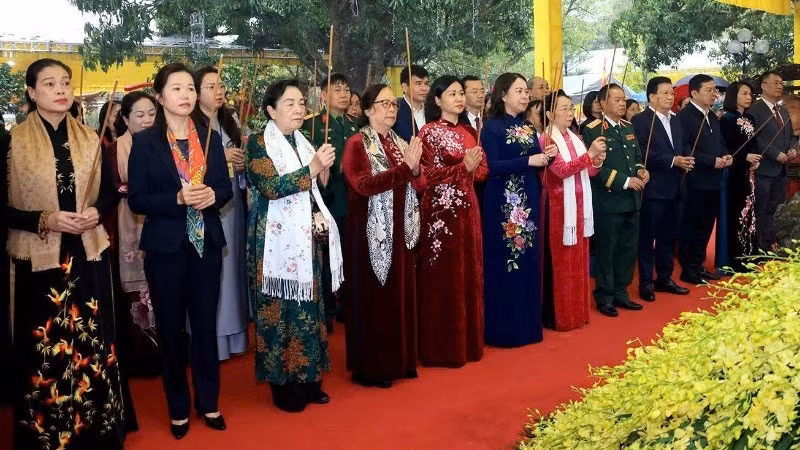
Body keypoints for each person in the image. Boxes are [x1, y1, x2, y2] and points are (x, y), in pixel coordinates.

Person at [8, 58, 130, 449]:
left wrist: (96, 211)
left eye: (65, 82)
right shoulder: (12, 142)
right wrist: (46, 219)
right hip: (38, 259)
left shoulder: (90, 138)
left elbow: (110, 192)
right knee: (46, 346)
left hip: (87, 252)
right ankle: (48, 434)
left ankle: (96, 429)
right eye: (49, 84)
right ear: (31, 92)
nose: (60, 90)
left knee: (92, 341)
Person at [128, 62, 232, 438]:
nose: (186, 95)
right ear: (160, 96)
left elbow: (225, 189)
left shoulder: (210, 137)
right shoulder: (145, 142)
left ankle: (209, 401)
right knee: (171, 330)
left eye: (190, 88)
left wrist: (211, 195)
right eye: (176, 88)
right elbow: (137, 199)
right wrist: (177, 197)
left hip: (206, 245)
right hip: (166, 249)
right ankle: (177, 407)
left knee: (204, 325)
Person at [245, 79, 341, 412]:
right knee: (279, 309)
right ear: (271, 111)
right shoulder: (258, 143)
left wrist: (322, 175)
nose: (299, 109)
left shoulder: (304, 140)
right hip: (273, 240)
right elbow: (270, 186)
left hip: (305, 237)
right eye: (290, 103)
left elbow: (315, 189)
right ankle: (282, 383)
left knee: (309, 306)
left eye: (301, 102)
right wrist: (312, 169)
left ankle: (310, 378)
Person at [342, 84, 426, 387]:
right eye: (385, 103)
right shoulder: (357, 143)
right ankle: (372, 367)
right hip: (370, 232)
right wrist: (406, 169)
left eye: (394, 104)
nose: (392, 109)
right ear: (368, 109)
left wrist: (414, 170)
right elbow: (363, 185)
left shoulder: (399, 141)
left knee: (398, 296)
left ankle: (399, 360)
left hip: (401, 231)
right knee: (375, 298)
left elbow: (420, 183)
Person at [416, 75, 487, 366]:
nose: (459, 98)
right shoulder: (428, 132)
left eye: (460, 93)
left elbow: (482, 172)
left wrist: (473, 167)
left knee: (468, 274)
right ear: (437, 100)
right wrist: (462, 168)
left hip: (468, 211)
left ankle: (468, 344)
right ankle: (442, 348)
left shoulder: (470, 131)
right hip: (440, 215)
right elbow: (425, 176)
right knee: (443, 278)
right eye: (452, 94)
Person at [481, 73, 555, 347]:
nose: (525, 96)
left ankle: (528, 327)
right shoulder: (491, 128)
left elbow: (536, 161)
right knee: (505, 262)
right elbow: (491, 167)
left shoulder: (527, 127)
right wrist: (528, 161)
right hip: (502, 204)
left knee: (527, 261)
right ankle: (503, 331)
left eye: (526, 91)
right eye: (519, 91)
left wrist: (547, 157)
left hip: (527, 201)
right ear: (503, 95)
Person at [194, 66, 249, 360]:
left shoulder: (229, 121)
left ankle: (236, 334)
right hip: (208, 203)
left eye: (221, 86)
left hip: (233, 200)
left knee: (234, 267)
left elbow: (241, 161)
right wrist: (219, 157)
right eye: (211, 86)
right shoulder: (192, 127)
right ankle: (214, 339)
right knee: (217, 271)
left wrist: (240, 166)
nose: (219, 92)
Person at [540, 90, 606, 331]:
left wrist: (596, 161)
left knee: (579, 262)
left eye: (571, 107)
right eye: (564, 108)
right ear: (549, 114)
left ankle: (578, 312)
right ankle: (562, 316)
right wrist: (590, 155)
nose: (570, 113)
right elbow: (561, 170)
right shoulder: (547, 139)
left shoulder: (575, 137)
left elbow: (588, 172)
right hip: (559, 208)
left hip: (579, 207)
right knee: (562, 263)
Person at [582, 83, 647, 317]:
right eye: (617, 100)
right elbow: (595, 168)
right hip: (609, 200)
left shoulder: (628, 127)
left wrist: (641, 171)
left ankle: (621, 291)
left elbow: (636, 157)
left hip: (631, 200)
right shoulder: (592, 130)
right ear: (602, 103)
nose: (622, 103)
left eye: (623, 99)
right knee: (607, 250)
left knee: (627, 249)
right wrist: (626, 181)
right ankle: (605, 296)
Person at [109, 91, 161, 377]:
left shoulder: (166, 144)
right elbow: (111, 186)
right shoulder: (115, 149)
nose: (146, 120)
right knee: (135, 295)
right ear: (126, 119)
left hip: (161, 222)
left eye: (151, 114)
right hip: (128, 222)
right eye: (139, 115)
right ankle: (140, 358)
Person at [302, 73, 358, 330]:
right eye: (337, 90)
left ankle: (347, 306)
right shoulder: (313, 125)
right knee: (325, 256)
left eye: (346, 89)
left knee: (348, 253)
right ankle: (326, 310)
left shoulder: (354, 124)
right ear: (324, 95)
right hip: (326, 200)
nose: (344, 94)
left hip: (350, 200)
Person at [632, 77, 693, 302]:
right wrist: (672, 160)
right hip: (653, 188)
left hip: (676, 187)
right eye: (665, 93)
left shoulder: (676, 120)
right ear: (652, 96)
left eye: (671, 93)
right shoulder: (641, 120)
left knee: (668, 236)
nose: (670, 97)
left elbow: (683, 143)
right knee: (647, 238)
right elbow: (642, 151)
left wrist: (686, 158)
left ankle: (664, 278)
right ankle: (646, 282)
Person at [677, 74, 732, 285]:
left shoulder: (711, 116)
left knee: (707, 225)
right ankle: (688, 269)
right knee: (692, 225)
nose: (714, 94)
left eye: (714, 90)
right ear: (694, 93)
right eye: (709, 90)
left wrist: (725, 155)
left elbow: (720, 142)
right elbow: (685, 148)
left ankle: (699, 265)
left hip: (714, 180)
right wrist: (711, 161)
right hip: (694, 181)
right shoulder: (684, 116)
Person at [749, 71, 797, 252]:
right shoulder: (754, 110)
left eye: (781, 83)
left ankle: (772, 244)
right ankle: (762, 248)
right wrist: (775, 153)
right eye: (775, 83)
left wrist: (793, 148)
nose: (779, 86)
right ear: (763, 85)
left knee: (776, 210)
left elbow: (790, 136)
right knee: (762, 209)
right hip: (763, 170)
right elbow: (755, 138)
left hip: (782, 170)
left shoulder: (782, 110)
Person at [720, 81, 762, 271]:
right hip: (734, 174)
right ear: (733, 95)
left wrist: (755, 159)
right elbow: (726, 147)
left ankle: (751, 254)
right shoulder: (727, 119)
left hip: (749, 173)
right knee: (737, 213)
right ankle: (737, 258)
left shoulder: (750, 118)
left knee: (750, 213)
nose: (748, 97)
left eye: (750, 94)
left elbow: (754, 144)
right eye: (744, 93)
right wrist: (744, 157)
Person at [394, 64, 430, 142]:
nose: (424, 88)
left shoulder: (434, 111)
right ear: (405, 87)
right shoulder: (395, 111)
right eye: (419, 83)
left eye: (426, 84)